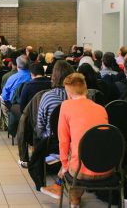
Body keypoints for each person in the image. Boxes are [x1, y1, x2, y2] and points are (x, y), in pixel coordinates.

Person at [41, 73, 109, 206]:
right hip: (107, 169)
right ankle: (66, 193)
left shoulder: (66, 106)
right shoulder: (101, 109)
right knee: (82, 149)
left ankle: (71, 197)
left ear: (68, 93)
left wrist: (64, 166)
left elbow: (63, 140)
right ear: (86, 89)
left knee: (73, 155)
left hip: (80, 172)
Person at [28, 61, 74, 190]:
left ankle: (40, 174)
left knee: (37, 133)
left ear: (54, 76)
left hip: (52, 142)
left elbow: (40, 125)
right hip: (73, 141)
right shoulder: (76, 98)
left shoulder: (47, 97)